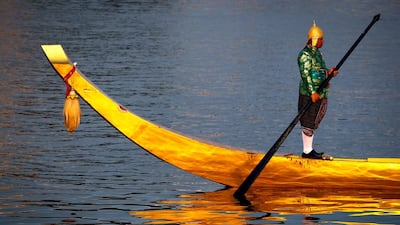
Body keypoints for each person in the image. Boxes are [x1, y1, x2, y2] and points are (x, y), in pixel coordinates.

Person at [297, 21, 338, 160]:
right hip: (309, 94)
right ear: (314, 40)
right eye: (321, 39)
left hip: (320, 93)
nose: (323, 41)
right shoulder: (305, 55)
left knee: (314, 121)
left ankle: (309, 150)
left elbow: (319, 72)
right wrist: (312, 91)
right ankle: (307, 151)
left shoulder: (318, 54)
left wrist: (329, 73)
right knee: (308, 121)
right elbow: (306, 74)